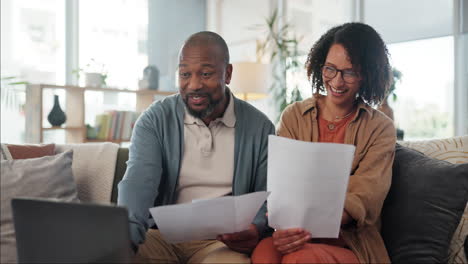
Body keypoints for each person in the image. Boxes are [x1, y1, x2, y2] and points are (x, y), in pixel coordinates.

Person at [118, 31, 275, 263]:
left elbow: (267, 196)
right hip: (161, 237)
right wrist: (125, 235)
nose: (194, 85)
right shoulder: (155, 120)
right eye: (185, 74)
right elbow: (139, 182)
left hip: (219, 243)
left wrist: (255, 227)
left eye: (206, 74)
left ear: (228, 73)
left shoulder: (260, 127)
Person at [252, 22, 396, 263]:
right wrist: (282, 226)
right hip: (295, 230)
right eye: (330, 69)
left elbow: (364, 198)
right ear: (320, 65)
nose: (337, 82)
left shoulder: (380, 127)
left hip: (351, 242)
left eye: (349, 72)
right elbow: (283, 184)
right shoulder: (294, 116)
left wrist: (302, 223)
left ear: (366, 74)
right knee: (264, 255)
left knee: (298, 259)